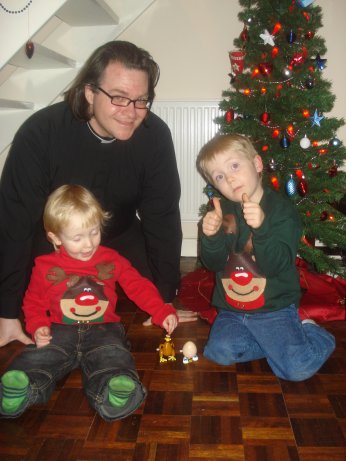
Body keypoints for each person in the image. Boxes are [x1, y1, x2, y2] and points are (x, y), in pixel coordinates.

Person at [0, 40, 196, 347]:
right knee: (36, 294)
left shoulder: (154, 136)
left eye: (141, 100)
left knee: (150, 292)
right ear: (90, 92)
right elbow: (16, 221)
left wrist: (165, 296)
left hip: (120, 234)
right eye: (119, 98)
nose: (131, 112)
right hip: (55, 243)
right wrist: (6, 313)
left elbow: (162, 216)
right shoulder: (41, 133)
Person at [0, 184, 178, 420]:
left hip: (104, 329)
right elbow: (32, 301)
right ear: (55, 237)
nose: (89, 244)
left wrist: (161, 310)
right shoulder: (44, 266)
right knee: (37, 357)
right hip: (58, 331)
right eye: (77, 238)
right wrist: (37, 325)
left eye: (94, 232)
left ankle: (115, 390)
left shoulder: (111, 259)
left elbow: (138, 286)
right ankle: (18, 389)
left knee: (113, 356)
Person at [196, 133, 335, 381]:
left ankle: (315, 335)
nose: (229, 177)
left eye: (235, 166)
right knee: (218, 352)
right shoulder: (222, 211)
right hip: (231, 309)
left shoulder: (282, 211)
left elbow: (275, 265)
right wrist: (211, 235)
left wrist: (261, 228)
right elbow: (213, 263)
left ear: (257, 164)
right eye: (219, 176)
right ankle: (275, 346)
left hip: (275, 308)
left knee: (296, 369)